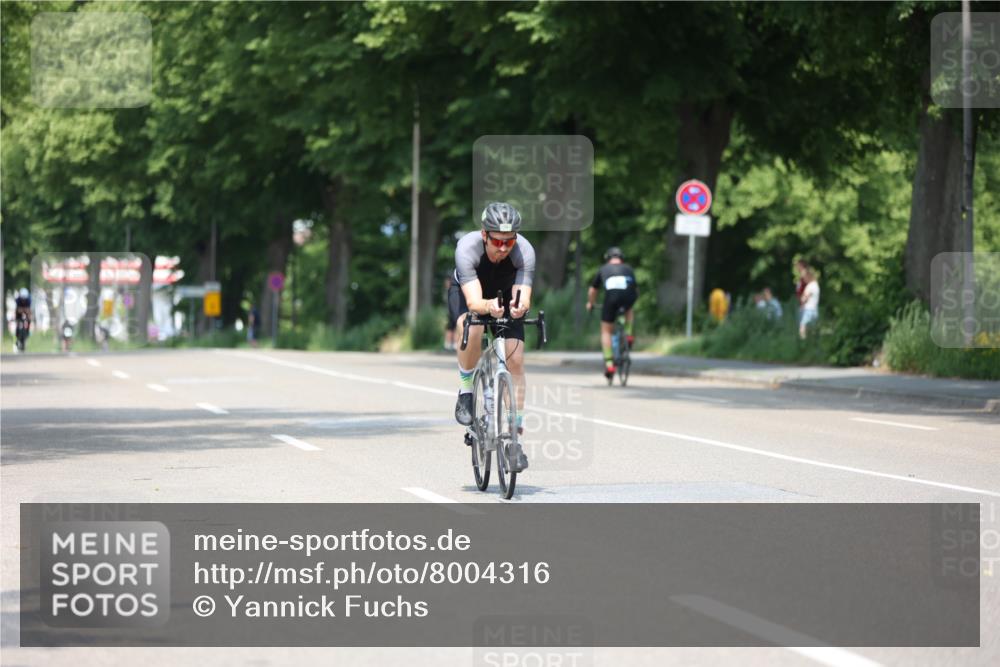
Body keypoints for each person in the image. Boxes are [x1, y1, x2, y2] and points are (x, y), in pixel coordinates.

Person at [448, 202, 535, 472]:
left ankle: (514, 437)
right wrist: (488, 308)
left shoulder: (525, 252)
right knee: (471, 327)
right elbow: (474, 302)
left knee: (516, 359)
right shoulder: (467, 248)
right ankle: (466, 390)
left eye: (509, 242)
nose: (503, 248)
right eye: (497, 241)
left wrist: (520, 307)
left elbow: (523, 296)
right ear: (484, 235)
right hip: (470, 294)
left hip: (505, 296)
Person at [586, 247, 638, 379]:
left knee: (606, 331)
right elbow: (635, 289)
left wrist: (591, 303)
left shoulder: (603, 269)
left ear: (608, 259)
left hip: (611, 298)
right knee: (629, 307)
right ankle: (629, 334)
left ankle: (609, 364)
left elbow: (592, 291)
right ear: (622, 258)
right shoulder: (628, 269)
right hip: (628, 297)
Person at [798, 267, 820, 338]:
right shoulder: (816, 285)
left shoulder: (810, 286)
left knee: (802, 326)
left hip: (807, 310)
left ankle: (803, 342)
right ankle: (813, 344)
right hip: (815, 309)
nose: (803, 279)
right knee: (812, 329)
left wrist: (802, 298)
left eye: (804, 277)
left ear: (808, 276)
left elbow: (804, 299)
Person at [14, 288, 32, 352]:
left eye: (25, 299)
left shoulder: (29, 299)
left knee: (29, 319)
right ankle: (17, 334)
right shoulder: (17, 300)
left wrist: (29, 317)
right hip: (19, 313)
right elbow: (17, 310)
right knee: (18, 322)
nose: (23, 300)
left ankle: (27, 332)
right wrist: (17, 318)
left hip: (26, 311)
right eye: (22, 299)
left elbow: (29, 310)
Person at [442, 276, 457, 351]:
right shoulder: (447, 291)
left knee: (454, 327)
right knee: (449, 328)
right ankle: (448, 344)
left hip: (453, 311)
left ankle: (453, 344)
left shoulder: (451, 291)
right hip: (449, 312)